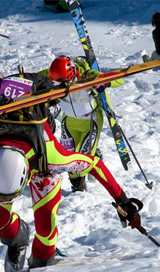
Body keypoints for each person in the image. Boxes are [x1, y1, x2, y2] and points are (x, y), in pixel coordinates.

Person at [0, 72, 142, 272]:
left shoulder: (53, 157)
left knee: (46, 235)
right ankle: (17, 241)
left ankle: (40, 265)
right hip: (6, 153)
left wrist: (123, 200)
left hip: (42, 171)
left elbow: (94, 164)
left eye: (8, 196)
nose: (4, 199)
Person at [40, 55, 125, 192]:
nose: (63, 87)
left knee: (83, 161)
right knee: (68, 159)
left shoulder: (88, 75)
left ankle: (93, 160)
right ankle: (78, 188)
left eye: (65, 82)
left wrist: (104, 82)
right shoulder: (50, 74)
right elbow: (30, 79)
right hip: (69, 121)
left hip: (90, 122)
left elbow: (119, 80)